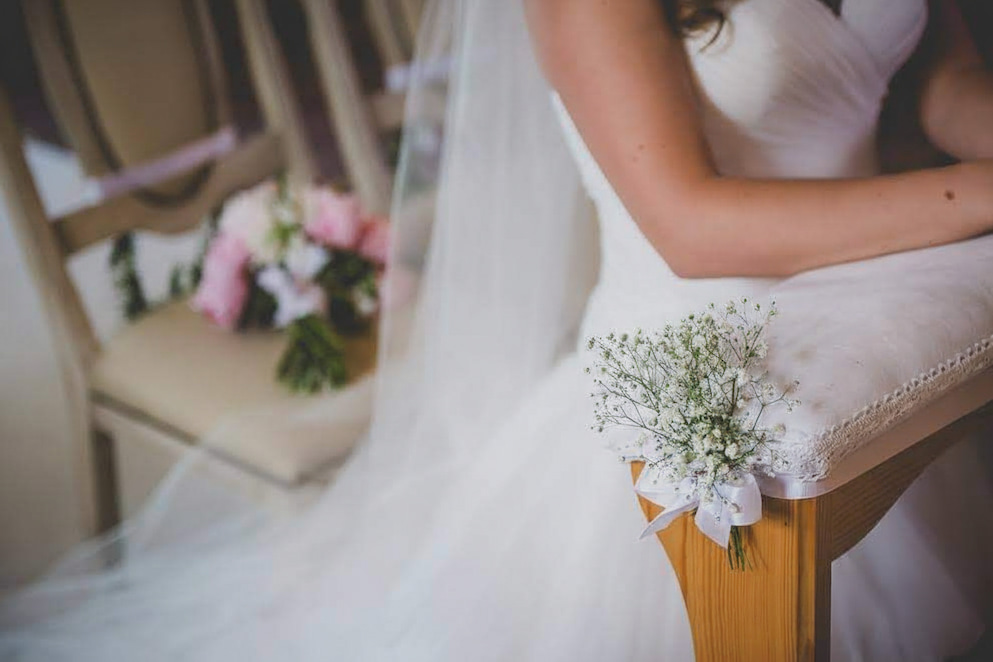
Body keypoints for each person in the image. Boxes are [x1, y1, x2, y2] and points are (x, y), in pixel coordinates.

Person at [2, 0, 993, 659]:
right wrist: (975, 197)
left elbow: (932, 76)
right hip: (691, 370)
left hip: (883, 319)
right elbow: (693, 226)